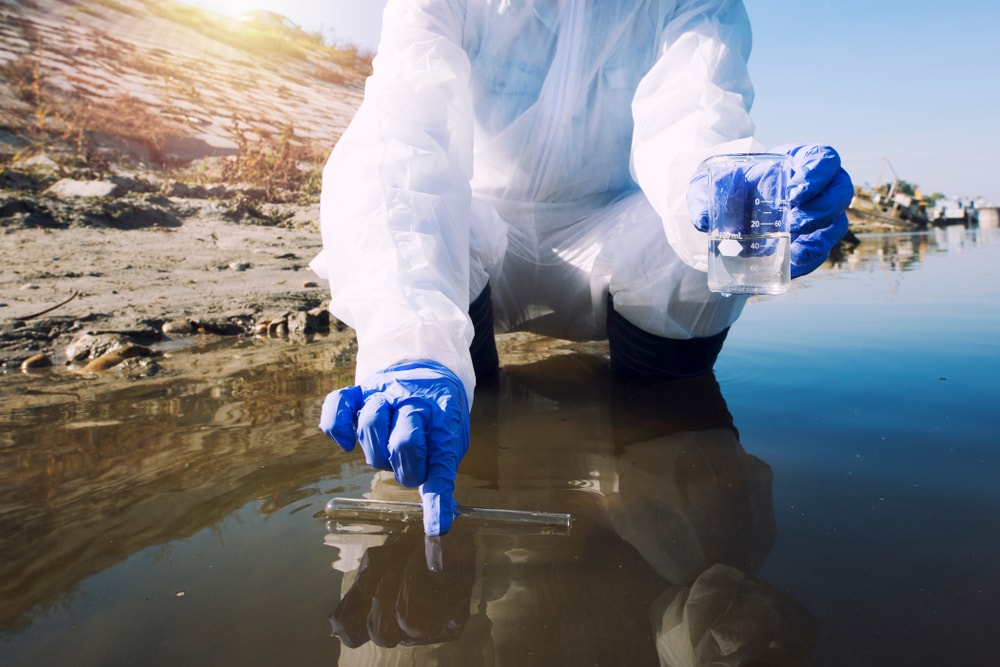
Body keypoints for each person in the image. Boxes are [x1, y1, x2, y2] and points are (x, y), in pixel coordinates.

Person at [311, 0, 854, 536]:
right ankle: (438, 378)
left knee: (706, 245)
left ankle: (667, 463)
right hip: (479, 229)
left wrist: (731, 191)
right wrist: (408, 343)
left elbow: (694, 117)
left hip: (613, 230)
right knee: (405, 215)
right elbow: (407, 130)